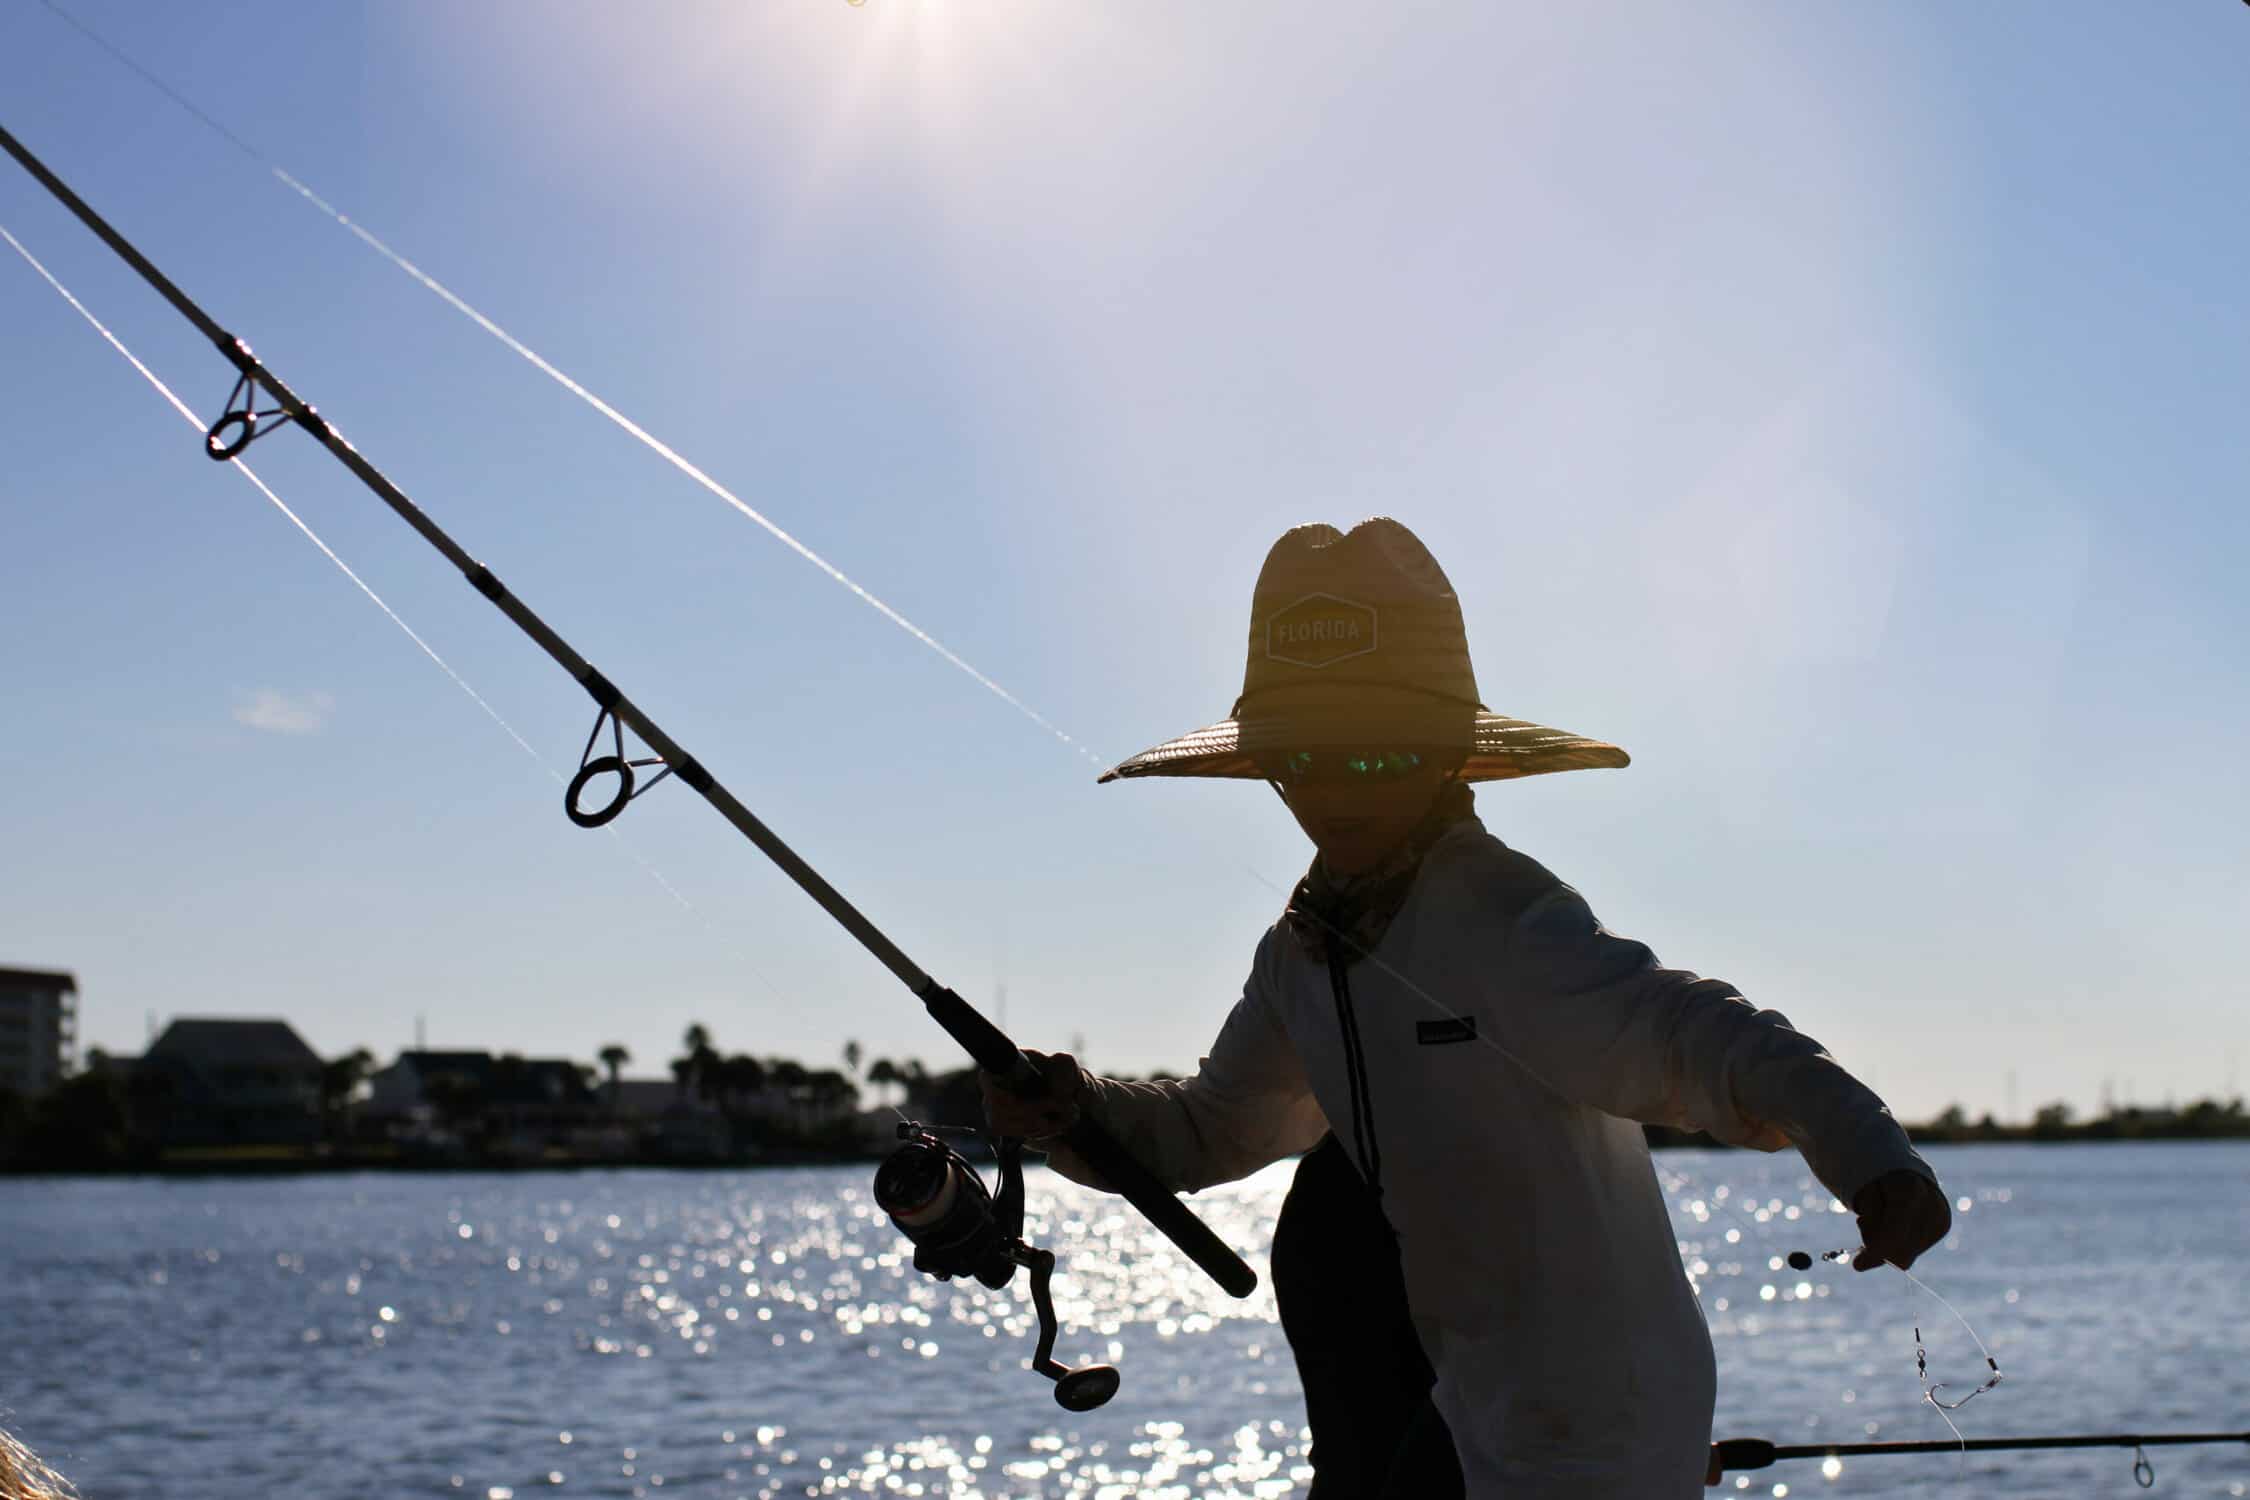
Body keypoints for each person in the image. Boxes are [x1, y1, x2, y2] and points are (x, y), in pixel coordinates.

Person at [983, 518, 1951, 1499]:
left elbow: (1698, 1035)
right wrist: (1077, 1109)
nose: (1335, 791)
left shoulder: (1502, 919)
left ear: (1441, 755)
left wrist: (1872, 1159)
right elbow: (1212, 1130)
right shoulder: (1300, 952)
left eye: (1371, 758)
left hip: (1600, 1424)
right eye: (1304, 762)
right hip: (1468, 1399)